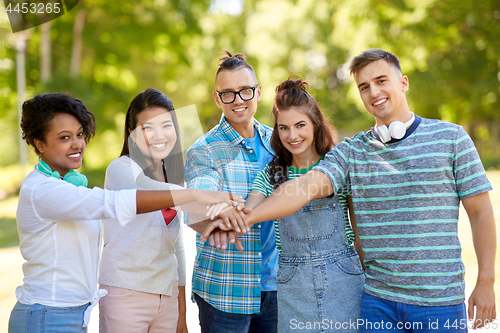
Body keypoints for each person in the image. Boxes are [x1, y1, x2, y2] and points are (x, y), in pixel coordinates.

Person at [217, 49, 496, 332]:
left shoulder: (451, 138)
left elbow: (481, 212)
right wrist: (247, 217)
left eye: (381, 80)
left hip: (441, 303)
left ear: (403, 82)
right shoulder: (352, 152)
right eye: (364, 86)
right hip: (377, 304)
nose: (374, 91)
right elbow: (305, 186)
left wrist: (485, 281)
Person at [8, 93, 243, 333]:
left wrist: (217, 223)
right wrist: (196, 195)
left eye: (80, 134)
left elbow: (176, 244)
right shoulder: (44, 190)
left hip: (76, 312)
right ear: (39, 144)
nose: (77, 143)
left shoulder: (72, 185)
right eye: (64, 137)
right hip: (48, 313)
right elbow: (113, 201)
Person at [245, 78, 365, 332]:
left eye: (300, 125)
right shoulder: (271, 175)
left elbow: (360, 235)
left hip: (344, 281)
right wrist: (232, 216)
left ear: (315, 124)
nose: (293, 135)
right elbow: (249, 210)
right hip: (293, 288)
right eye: (283, 128)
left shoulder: (338, 167)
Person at [185, 51, 279, 333]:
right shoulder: (205, 150)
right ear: (217, 99)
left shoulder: (278, 142)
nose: (238, 100)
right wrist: (218, 211)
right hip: (225, 291)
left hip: (275, 287)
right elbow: (198, 201)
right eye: (228, 94)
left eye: (245, 91)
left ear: (258, 92)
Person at [98, 89, 189, 332]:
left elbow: (176, 248)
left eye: (166, 125)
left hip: (166, 297)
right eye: (148, 128)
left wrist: (181, 311)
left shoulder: (174, 179)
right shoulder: (120, 170)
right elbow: (146, 189)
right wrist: (200, 196)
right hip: (126, 295)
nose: (159, 135)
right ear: (132, 134)